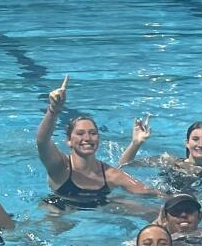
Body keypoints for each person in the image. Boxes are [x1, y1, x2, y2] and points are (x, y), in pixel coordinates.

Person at [36, 75, 165, 209]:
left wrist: (177, 200)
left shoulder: (110, 175)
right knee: (53, 213)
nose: (87, 138)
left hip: (100, 204)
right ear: (68, 141)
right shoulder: (60, 166)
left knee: (149, 211)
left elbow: (148, 192)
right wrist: (53, 110)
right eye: (80, 133)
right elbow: (42, 141)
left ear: (98, 138)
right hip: (61, 207)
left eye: (93, 133)